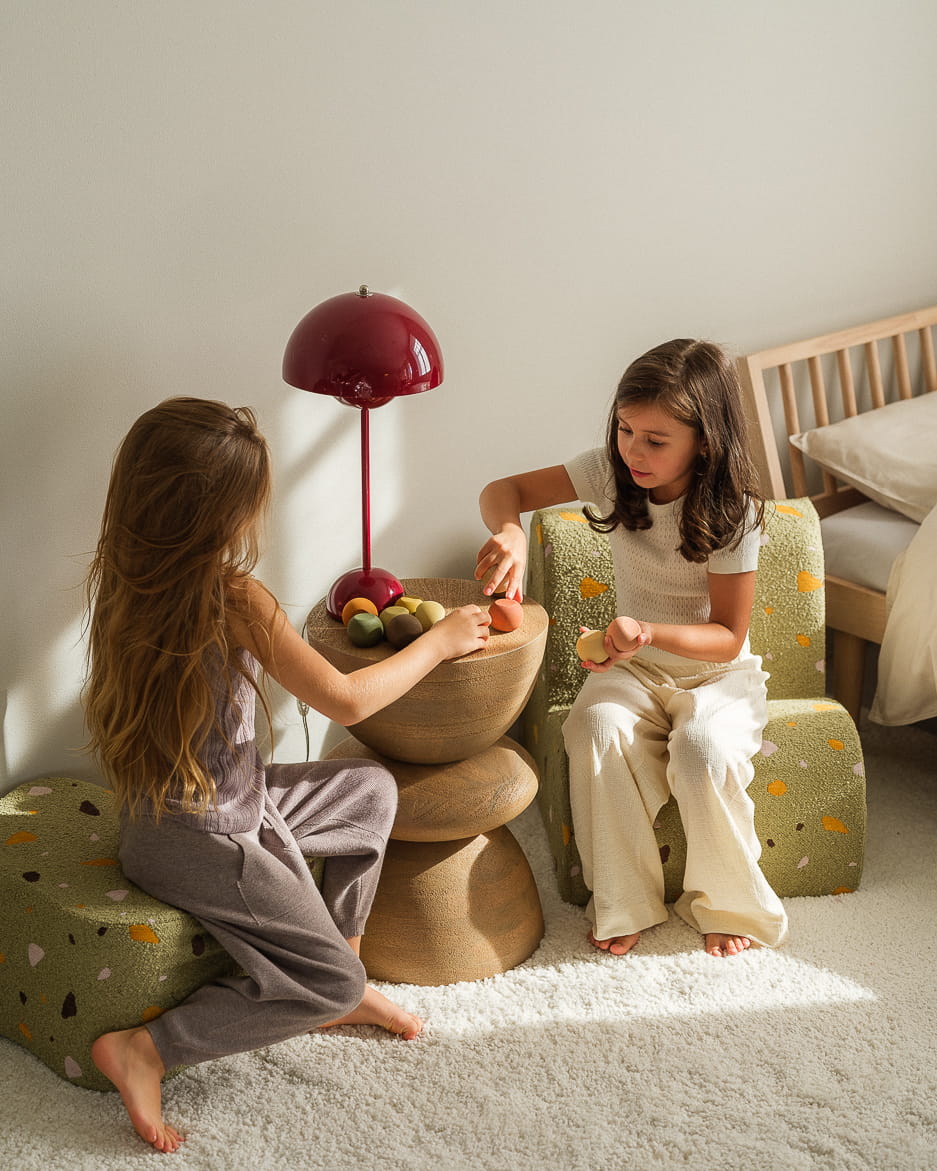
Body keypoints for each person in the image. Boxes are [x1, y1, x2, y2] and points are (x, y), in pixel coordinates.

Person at [83, 397, 490, 1153]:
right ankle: (149, 1048)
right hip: (202, 838)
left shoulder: (124, 575)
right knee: (327, 981)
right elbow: (346, 698)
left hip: (218, 801)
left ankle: (342, 970)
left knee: (370, 789)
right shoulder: (234, 597)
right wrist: (437, 644)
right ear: (222, 515)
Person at [475, 338, 788, 963]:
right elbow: (502, 488)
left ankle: (730, 903)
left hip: (718, 674)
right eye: (625, 430)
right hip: (635, 667)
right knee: (594, 725)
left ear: (705, 441)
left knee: (702, 748)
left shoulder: (734, 514)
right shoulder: (609, 473)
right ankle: (623, 899)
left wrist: (647, 630)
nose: (634, 451)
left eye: (656, 440)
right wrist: (510, 532)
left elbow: (727, 636)